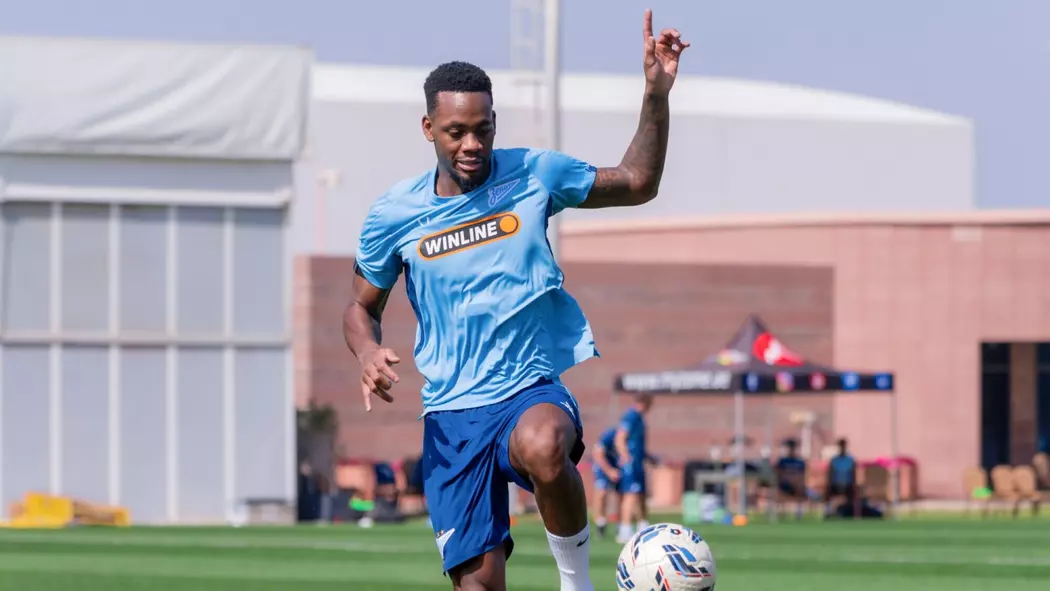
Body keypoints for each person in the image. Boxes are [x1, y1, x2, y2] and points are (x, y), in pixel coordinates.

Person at [342, 10, 689, 591]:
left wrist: (656, 93)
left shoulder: (534, 173)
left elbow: (638, 181)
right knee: (479, 585)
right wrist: (366, 352)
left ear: (494, 123)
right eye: (456, 132)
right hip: (452, 416)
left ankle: (576, 583)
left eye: (483, 130)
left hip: (528, 388)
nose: (472, 144)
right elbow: (359, 307)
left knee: (545, 444)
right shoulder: (393, 214)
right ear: (428, 128)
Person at [614, 394, 654, 543]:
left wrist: (648, 457)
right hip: (630, 464)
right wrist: (626, 457)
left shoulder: (640, 418)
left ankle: (643, 527)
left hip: (638, 463)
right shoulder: (631, 416)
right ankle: (625, 530)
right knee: (630, 495)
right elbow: (620, 439)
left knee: (641, 495)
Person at [590, 427, 622, 538]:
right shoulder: (610, 435)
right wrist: (609, 471)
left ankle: (621, 525)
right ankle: (600, 523)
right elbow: (597, 453)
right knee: (601, 494)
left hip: (619, 467)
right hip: (603, 468)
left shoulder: (633, 436)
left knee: (622, 495)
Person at [775, 439, 808, 520]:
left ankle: (799, 514)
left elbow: (802, 475)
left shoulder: (800, 462)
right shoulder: (782, 461)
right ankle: (781, 514)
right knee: (779, 490)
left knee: (801, 489)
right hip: (785, 485)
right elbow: (779, 474)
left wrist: (797, 482)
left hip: (797, 486)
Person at [825, 438, 859, 517]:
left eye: (843, 446)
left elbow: (853, 474)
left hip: (848, 485)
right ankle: (828, 512)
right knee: (827, 493)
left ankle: (849, 512)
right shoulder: (834, 460)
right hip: (835, 485)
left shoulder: (850, 460)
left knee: (853, 494)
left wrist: (854, 484)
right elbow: (830, 474)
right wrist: (829, 484)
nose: (842, 447)